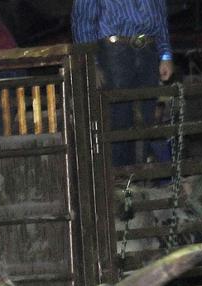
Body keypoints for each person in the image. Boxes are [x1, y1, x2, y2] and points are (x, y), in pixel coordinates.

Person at [72, 0, 174, 167]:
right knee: (117, 118)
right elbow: (83, 20)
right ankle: (119, 180)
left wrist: (165, 54)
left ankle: (140, 176)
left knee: (146, 116)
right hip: (114, 51)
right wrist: (91, 62)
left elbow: (160, 16)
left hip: (147, 49)